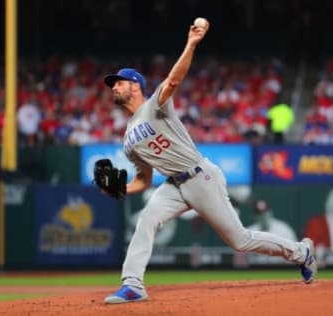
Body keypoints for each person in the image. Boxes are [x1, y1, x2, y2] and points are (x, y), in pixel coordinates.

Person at [101, 19, 317, 304]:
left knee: (240, 241)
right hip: (173, 185)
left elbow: (174, 81)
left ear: (135, 86)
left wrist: (191, 43)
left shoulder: (155, 106)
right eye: (112, 84)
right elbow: (143, 178)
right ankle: (133, 284)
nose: (113, 86)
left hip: (200, 177)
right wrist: (122, 189)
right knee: (147, 218)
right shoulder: (128, 138)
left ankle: (301, 252)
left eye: (119, 82)